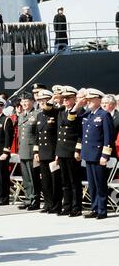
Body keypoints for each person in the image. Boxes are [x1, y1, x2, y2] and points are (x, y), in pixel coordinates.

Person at [73, 88, 114, 219]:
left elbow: (108, 137)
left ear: (98, 100)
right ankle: (94, 208)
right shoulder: (88, 114)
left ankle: (102, 210)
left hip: (98, 155)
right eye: (88, 99)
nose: (88, 101)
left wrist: (105, 155)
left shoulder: (104, 115)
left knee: (100, 183)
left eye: (91, 99)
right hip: (88, 154)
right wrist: (78, 104)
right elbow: (72, 119)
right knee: (92, 184)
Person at [55, 86, 83, 217]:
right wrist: (57, 152)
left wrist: (77, 149)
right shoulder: (60, 111)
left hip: (72, 150)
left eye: (68, 98)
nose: (65, 100)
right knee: (64, 181)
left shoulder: (79, 111)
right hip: (61, 150)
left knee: (74, 181)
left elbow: (79, 133)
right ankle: (66, 206)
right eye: (63, 98)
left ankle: (76, 207)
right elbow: (58, 132)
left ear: (74, 99)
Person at [33, 90, 62, 213]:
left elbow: (59, 134)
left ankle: (56, 205)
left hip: (52, 151)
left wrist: (57, 153)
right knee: (45, 181)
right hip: (42, 152)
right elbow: (37, 135)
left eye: (44, 100)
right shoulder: (39, 115)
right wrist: (36, 151)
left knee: (55, 180)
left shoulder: (56, 113)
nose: (41, 102)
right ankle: (48, 204)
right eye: (39, 100)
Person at [17, 92, 41, 211]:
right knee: (26, 178)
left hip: (32, 150)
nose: (24, 103)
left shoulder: (36, 114)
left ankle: (35, 200)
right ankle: (28, 199)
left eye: (27, 101)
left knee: (33, 177)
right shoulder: (21, 115)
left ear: (32, 102)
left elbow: (38, 134)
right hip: (23, 150)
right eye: (23, 102)